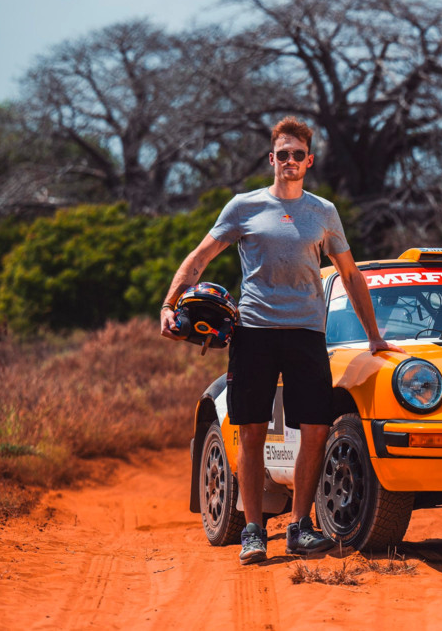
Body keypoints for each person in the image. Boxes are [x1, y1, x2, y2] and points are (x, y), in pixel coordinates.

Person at [160, 116, 404, 565]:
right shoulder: (243, 207)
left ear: (309, 161)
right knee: (251, 431)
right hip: (254, 333)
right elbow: (198, 259)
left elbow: (350, 275)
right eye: (283, 154)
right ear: (271, 159)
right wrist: (169, 303)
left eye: (298, 155)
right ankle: (253, 531)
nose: (290, 161)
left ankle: (299, 526)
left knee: (315, 429)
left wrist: (375, 338)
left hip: (307, 333)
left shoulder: (324, 212)